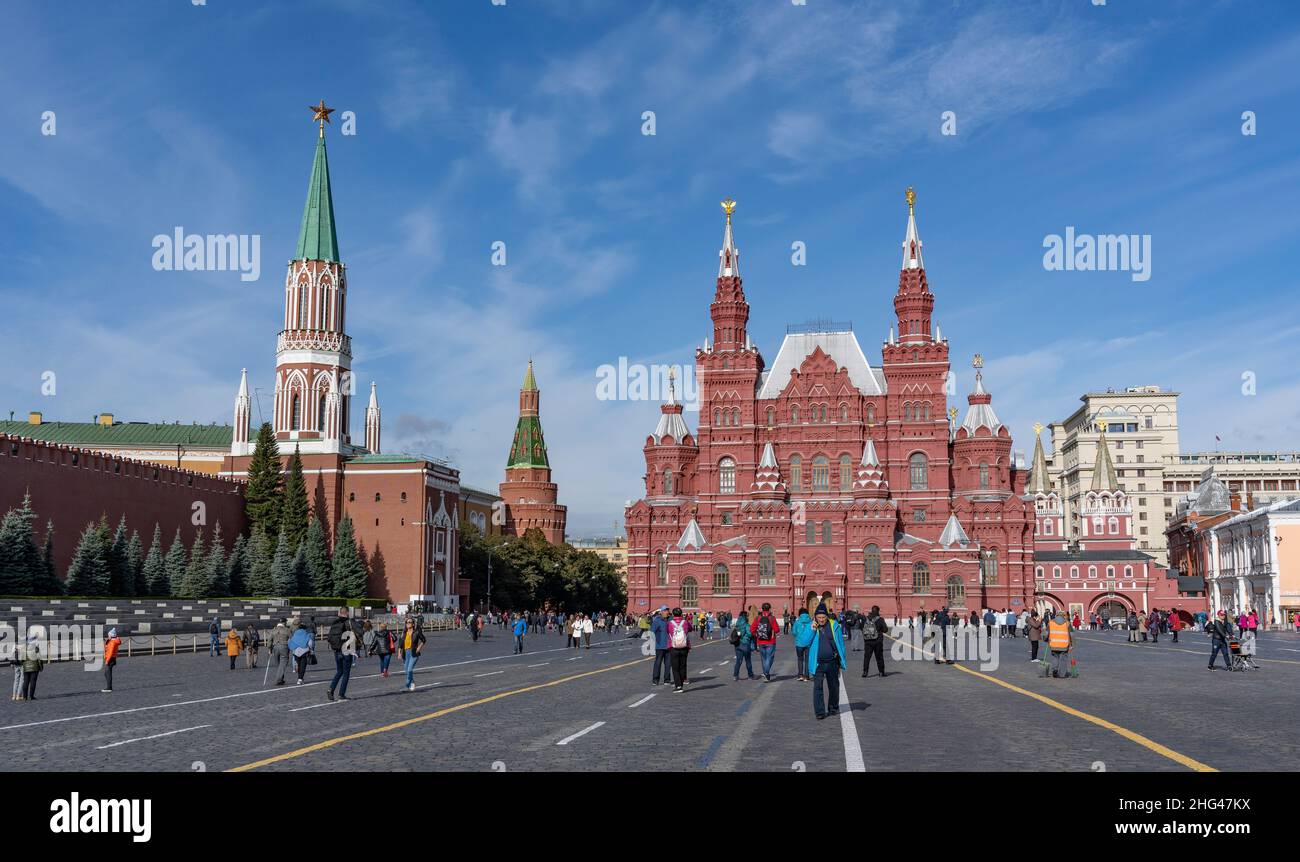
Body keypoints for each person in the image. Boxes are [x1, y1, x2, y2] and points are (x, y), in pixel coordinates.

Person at [808, 604, 847, 720]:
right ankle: (820, 712)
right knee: (818, 687)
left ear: (827, 616)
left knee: (834, 686)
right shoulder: (811, 626)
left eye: (823, 617)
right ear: (815, 617)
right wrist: (812, 630)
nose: (821, 620)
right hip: (818, 663)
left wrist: (841, 660)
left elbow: (840, 644)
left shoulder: (834, 625)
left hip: (832, 662)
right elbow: (805, 641)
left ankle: (833, 707)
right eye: (819, 617)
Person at [325, 607, 354, 701]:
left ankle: (331, 689)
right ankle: (341, 694)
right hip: (346, 650)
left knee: (339, 671)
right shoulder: (348, 623)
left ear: (339, 613)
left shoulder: (335, 623)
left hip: (336, 650)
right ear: (347, 613)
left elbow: (329, 637)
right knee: (346, 673)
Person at [751, 602, 781, 682]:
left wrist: (757, 635)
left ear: (762, 609)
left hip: (760, 641)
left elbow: (752, 629)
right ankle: (766, 673)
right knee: (769, 658)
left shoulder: (758, 618)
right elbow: (777, 630)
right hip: (770, 641)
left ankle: (766, 674)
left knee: (763, 658)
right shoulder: (772, 618)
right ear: (769, 609)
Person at [667, 607, 691, 693]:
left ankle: (678, 686)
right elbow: (690, 629)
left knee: (675, 668)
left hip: (673, 647)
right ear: (681, 614)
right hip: (684, 647)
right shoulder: (685, 622)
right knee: (683, 666)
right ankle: (681, 683)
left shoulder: (670, 623)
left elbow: (668, 632)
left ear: (673, 614)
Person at [399, 616, 426, 692]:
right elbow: (401, 643)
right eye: (407, 622)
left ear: (413, 624)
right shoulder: (404, 633)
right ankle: (412, 682)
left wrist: (419, 647)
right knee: (406, 671)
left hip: (413, 653)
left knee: (410, 669)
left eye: (410, 622)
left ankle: (407, 686)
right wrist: (399, 652)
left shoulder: (417, 632)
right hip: (405, 653)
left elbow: (424, 640)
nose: (408, 623)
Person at [861, 605, 888, 678]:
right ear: (878, 611)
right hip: (878, 641)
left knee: (867, 657)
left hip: (868, 641)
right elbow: (885, 629)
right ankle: (881, 672)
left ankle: (865, 672)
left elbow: (862, 628)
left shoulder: (866, 619)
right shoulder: (880, 619)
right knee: (879, 657)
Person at [1046, 611, 1073, 679]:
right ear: (1063, 616)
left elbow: (1045, 633)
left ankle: (1055, 669)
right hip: (1064, 644)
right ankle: (1062, 674)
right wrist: (1072, 644)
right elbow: (1072, 634)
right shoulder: (1067, 623)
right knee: (1063, 659)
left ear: (1056, 615)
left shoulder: (1050, 622)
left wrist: (1046, 639)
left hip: (1054, 644)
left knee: (1055, 657)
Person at [650, 605, 673, 686]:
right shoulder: (657, 620)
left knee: (668, 664)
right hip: (659, 646)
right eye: (665, 610)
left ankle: (667, 680)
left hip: (669, 645)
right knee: (658, 663)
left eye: (667, 610)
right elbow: (652, 631)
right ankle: (655, 680)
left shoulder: (671, 620)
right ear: (661, 612)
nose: (667, 612)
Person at [731, 610, 756, 680]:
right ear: (745, 616)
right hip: (745, 644)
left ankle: (735, 675)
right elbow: (749, 634)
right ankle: (750, 675)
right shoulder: (746, 625)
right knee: (748, 661)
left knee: (738, 661)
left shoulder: (737, 624)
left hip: (737, 644)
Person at [20, 631, 45, 701]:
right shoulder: (36, 648)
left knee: (25, 682)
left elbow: (21, 658)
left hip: (26, 667)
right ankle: (31, 696)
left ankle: (24, 697)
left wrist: (24, 664)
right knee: (33, 682)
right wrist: (41, 667)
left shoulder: (24, 648)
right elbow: (39, 658)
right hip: (34, 667)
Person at [289, 620, 314, 685]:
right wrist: (311, 649)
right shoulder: (307, 634)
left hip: (296, 652)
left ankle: (300, 678)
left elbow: (290, 641)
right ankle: (300, 679)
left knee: (299, 665)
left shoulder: (295, 634)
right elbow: (310, 643)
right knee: (303, 666)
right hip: (304, 651)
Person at [791, 607, 814, 681]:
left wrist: (798, 636)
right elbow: (814, 632)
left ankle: (800, 675)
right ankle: (806, 676)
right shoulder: (811, 622)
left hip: (799, 644)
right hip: (808, 644)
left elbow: (794, 632)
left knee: (800, 659)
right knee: (807, 660)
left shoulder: (797, 622)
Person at [267, 618, 291, 685]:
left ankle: (281, 679)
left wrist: (269, 648)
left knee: (278, 664)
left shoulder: (273, 630)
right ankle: (278, 679)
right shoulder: (287, 630)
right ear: (284, 623)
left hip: (275, 647)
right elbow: (291, 638)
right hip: (284, 647)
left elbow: (269, 640)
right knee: (283, 664)